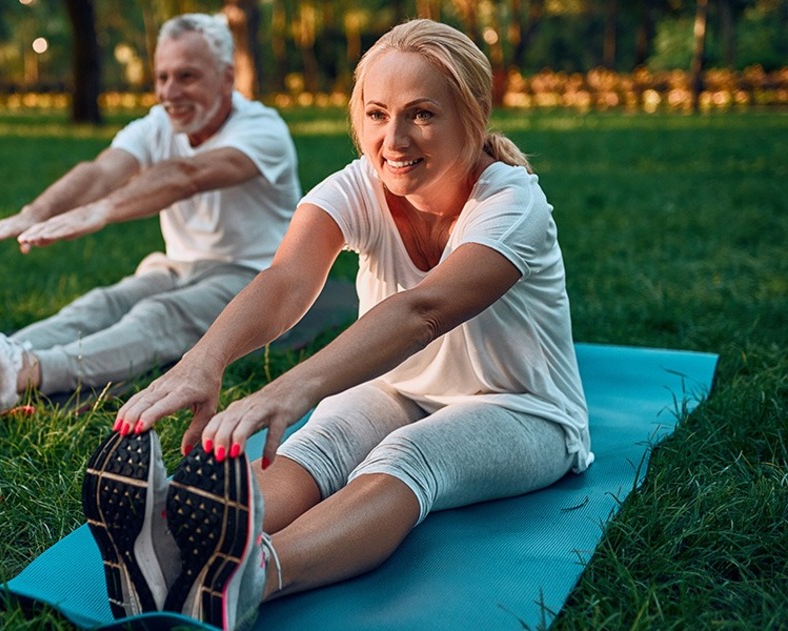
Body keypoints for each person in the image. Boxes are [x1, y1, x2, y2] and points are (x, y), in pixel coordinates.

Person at [83, 18, 593, 630]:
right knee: (316, 443)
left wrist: (289, 389)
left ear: (474, 112)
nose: (394, 138)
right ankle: (176, 553)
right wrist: (204, 361)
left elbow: (422, 312)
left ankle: (250, 578)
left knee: (410, 456)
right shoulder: (361, 185)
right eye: (377, 114)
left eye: (421, 114)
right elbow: (286, 280)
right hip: (397, 388)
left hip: (523, 410)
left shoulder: (512, 205)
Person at [0, 13, 300, 415]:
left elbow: (187, 175)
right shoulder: (158, 123)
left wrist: (102, 211)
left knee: (159, 315)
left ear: (227, 78)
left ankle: (22, 373)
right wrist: (34, 212)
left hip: (255, 274)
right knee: (99, 305)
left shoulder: (263, 131)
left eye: (187, 76)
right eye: (162, 77)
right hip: (177, 265)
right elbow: (101, 171)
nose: (169, 92)